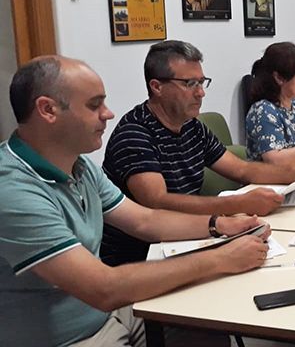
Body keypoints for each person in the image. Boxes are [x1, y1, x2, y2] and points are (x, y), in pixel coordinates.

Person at [0, 56, 270, 347]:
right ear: (48, 110)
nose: (108, 114)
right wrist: (220, 258)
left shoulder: (79, 166)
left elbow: (145, 220)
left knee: (206, 327)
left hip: (110, 314)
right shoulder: (13, 190)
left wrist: (218, 225)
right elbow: (103, 288)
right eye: (94, 105)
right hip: (72, 338)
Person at [102, 40, 295, 265]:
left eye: (202, 82)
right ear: (157, 87)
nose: (201, 93)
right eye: (190, 84)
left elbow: (242, 169)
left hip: (186, 237)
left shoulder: (192, 127)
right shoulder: (135, 134)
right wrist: (238, 204)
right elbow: (159, 202)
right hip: (142, 257)